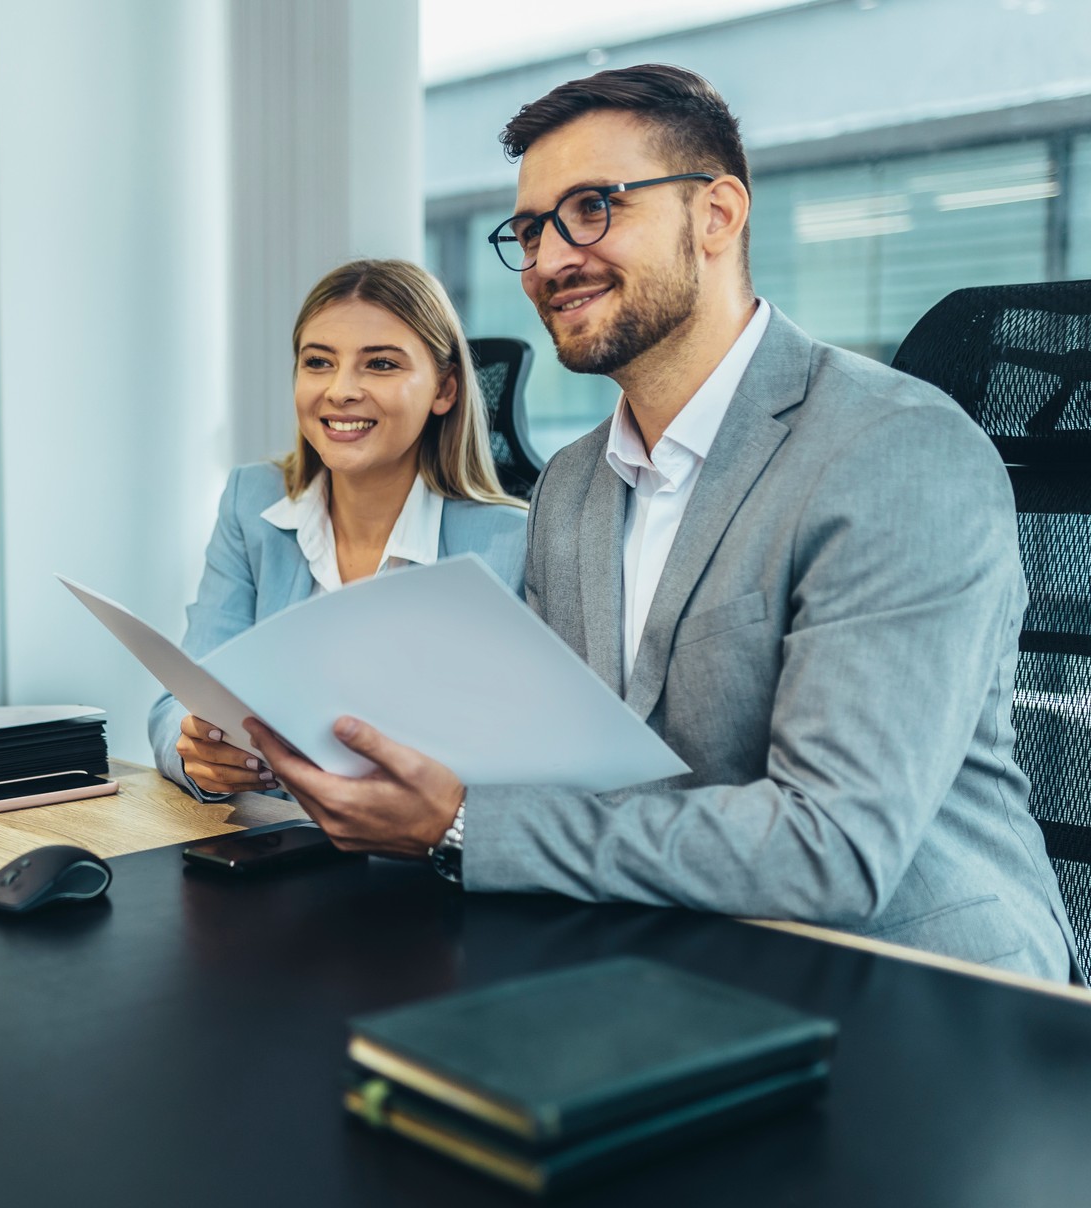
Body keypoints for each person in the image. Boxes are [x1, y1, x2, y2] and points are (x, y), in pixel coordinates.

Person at [245, 66, 1077, 980]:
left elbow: (829, 846)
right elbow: (565, 765)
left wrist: (461, 820)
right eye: (529, 230)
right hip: (670, 956)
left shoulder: (894, 449)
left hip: (920, 992)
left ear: (717, 214)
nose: (551, 259)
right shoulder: (569, 485)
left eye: (593, 207)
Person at [151, 259, 527, 800]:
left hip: (419, 864)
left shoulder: (510, 546)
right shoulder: (251, 503)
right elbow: (177, 701)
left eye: (380, 364)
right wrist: (197, 753)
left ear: (444, 389)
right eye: (318, 362)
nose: (341, 390)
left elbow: (523, 764)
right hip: (269, 849)